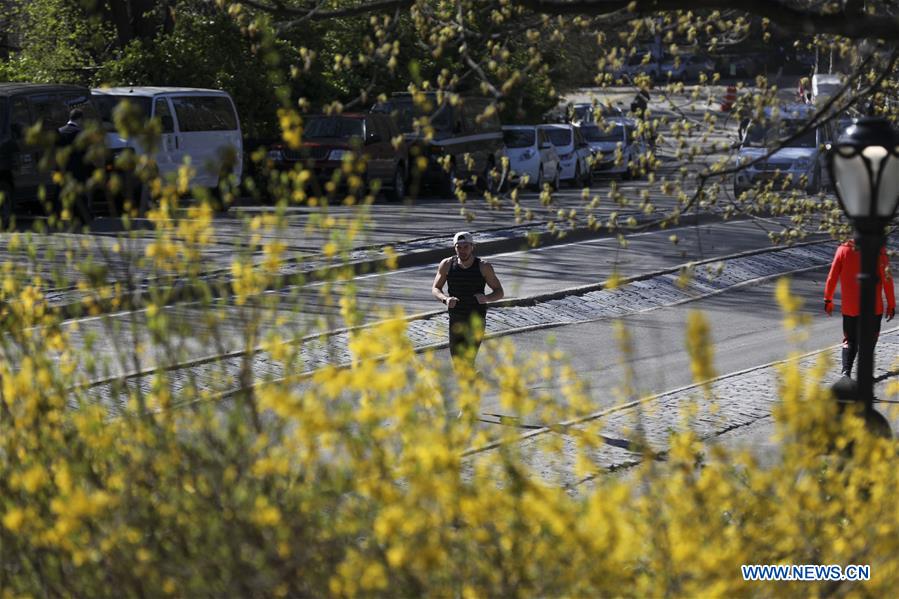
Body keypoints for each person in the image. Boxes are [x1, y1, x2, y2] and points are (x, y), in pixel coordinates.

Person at [432, 231, 504, 368]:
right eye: (458, 247)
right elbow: (435, 288)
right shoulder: (447, 264)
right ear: (454, 248)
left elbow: (499, 292)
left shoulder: (484, 266)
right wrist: (445, 299)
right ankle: (473, 380)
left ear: (472, 247)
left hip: (476, 319)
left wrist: (486, 298)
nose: (462, 250)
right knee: (458, 363)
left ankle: (470, 383)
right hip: (456, 320)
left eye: (466, 247)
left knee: (467, 361)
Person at [824, 239, 895, 378]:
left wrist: (828, 299)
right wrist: (891, 304)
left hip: (850, 306)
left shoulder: (843, 249)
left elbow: (832, 277)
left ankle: (846, 372)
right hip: (873, 307)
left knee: (850, 340)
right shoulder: (878, 250)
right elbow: (887, 279)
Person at [56, 108, 92, 223]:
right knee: (79, 194)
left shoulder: (59, 131)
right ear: (80, 119)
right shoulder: (81, 134)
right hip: (78, 169)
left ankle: (57, 215)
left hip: (62, 168)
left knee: (61, 193)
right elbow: (86, 153)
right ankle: (81, 216)